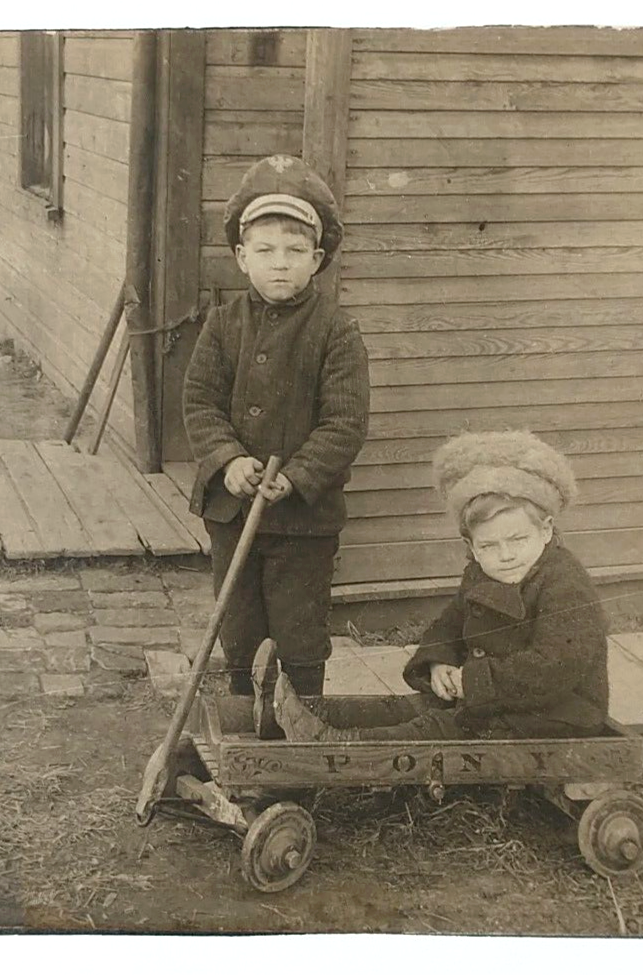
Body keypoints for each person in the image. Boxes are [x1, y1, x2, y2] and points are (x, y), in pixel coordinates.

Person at [269, 430, 610, 742]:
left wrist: (473, 681)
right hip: (499, 699)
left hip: (557, 713)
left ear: (546, 530)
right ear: (472, 547)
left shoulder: (564, 584)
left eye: (518, 539)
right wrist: (438, 663)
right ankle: (308, 714)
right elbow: (450, 623)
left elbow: (555, 665)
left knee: (437, 727)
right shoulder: (481, 573)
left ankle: (336, 745)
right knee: (408, 707)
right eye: (489, 546)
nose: (506, 556)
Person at [182, 154, 370, 701]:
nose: (279, 264)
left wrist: (298, 475)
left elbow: (345, 422)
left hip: (302, 521)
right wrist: (229, 459)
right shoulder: (222, 325)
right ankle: (245, 722)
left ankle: (301, 726)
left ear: (317, 259)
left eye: (294, 252)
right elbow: (199, 402)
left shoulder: (336, 331)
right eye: (265, 251)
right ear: (242, 258)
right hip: (232, 510)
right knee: (237, 624)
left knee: (299, 630)